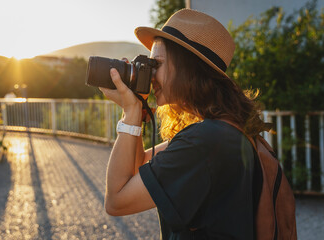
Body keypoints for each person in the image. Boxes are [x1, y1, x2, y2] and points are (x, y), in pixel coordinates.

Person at [99, 8, 271, 239]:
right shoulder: (224, 130)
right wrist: (135, 109)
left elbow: (116, 201)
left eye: (156, 64)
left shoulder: (204, 142)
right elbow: (136, 164)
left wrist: (130, 112)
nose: (150, 74)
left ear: (187, 68)